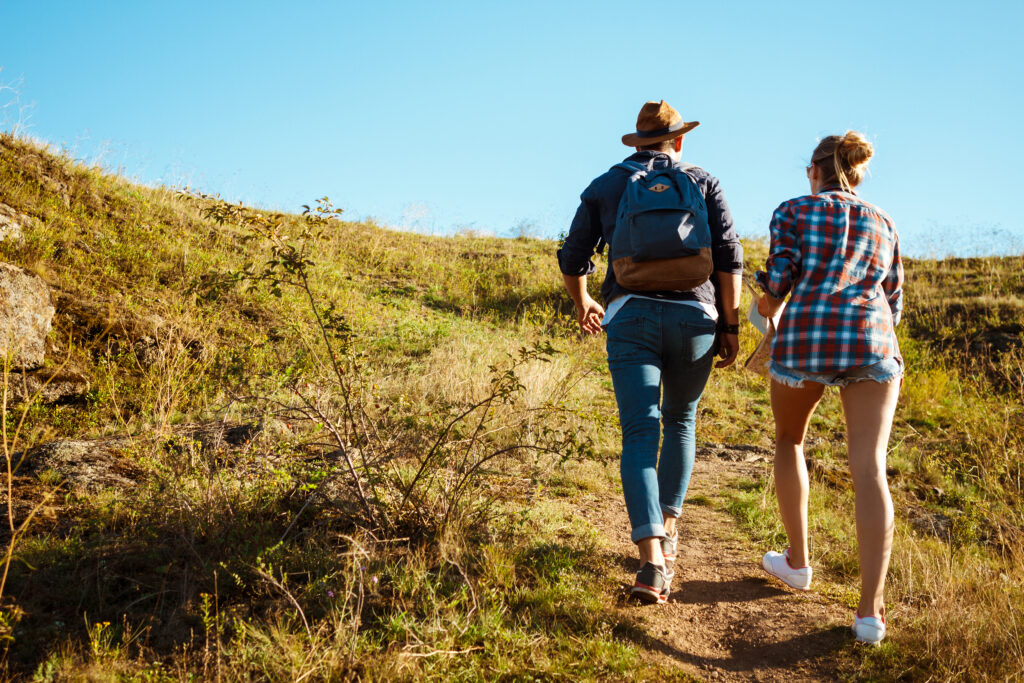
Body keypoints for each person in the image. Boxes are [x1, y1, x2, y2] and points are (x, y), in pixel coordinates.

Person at [558, 100, 743, 603]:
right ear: (678, 141)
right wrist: (730, 324)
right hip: (696, 319)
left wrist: (584, 302)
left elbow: (573, 257)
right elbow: (729, 256)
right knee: (681, 419)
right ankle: (671, 526)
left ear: (637, 143)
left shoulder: (607, 184)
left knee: (641, 430)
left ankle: (651, 564)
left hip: (631, 318)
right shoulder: (703, 181)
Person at [754, 131, 903, 645]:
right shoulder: (884, 221)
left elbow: (776, 287)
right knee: (870, 469)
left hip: (808, 341)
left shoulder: (793, 211)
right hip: (872, 341)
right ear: (855, 172)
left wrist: (764, 312)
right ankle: (870, 614)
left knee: (790, 441)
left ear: (815, 172)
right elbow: (893, 299)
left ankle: (797, 562)